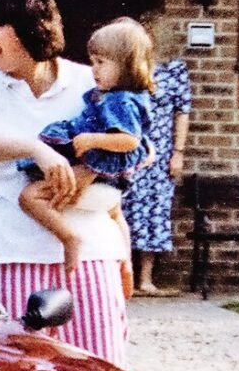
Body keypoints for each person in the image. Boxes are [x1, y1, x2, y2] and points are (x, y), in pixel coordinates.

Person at [0, 0, 133, 364]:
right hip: (8, 254)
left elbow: (137, 145)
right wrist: (36, 149)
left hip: (91, 257)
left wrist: (88, 173)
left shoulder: (90, 82)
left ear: (32, 28)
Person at [15, 17, 155, 270]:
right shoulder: (124, 97)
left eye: (101, 62)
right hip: (107, 179)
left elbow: (129, 140)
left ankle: (70, 238)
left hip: (97, 173)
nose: (94, 69)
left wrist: (93, 139)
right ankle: (126, 264)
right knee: (115, 213)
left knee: (29, 197)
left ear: (125, 66)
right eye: (93, 62)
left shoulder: (120, 101)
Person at [128, 14, 195, 296]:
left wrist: (177, 152)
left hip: (159, 155)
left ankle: (145, 279)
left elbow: (183, 112)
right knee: (125, 210)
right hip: (129, 149)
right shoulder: (131, 67)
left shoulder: (174, 70)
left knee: (154, 213)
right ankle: (124, 280)